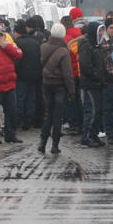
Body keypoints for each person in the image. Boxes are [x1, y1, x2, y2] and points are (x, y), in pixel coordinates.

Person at [39, 24, 75, 154]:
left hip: (46, 84)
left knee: (48, 113)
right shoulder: (63, 51)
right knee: (57, 116)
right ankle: (55, 145)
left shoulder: (43, 47)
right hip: (59, 86)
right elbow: (67, 74)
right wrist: (71, 91)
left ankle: (42, 143)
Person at [77, 21, 105, 147]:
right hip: (90, 84)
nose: (101, 33)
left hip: (98, 83)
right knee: (91, 111)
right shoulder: (86, 45)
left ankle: (94, 135)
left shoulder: (96, 45)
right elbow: (85, 65)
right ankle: (86, 136)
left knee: (97, 111)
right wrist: (96, 75)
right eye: (99, 30)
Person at [13, 19, 41, 131]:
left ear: (17, 32)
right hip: (34, 76)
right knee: (31, 100)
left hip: (21, 76)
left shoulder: (17, 43)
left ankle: (18, 121)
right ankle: (28, 122)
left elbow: (16, 61)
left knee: (20, 99)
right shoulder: (35, 42)